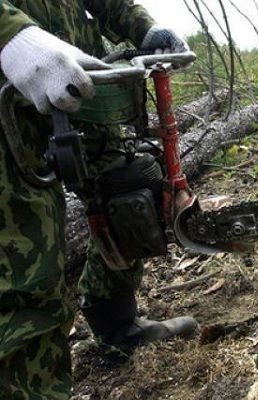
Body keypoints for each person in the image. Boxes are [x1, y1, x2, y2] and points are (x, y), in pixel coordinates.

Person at [0, 1, 198, 398]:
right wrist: (9, 36)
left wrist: (142, 28)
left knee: (129, 196)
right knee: (24, 268)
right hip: (9, 94)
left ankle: (117, 327)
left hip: (78, 78)